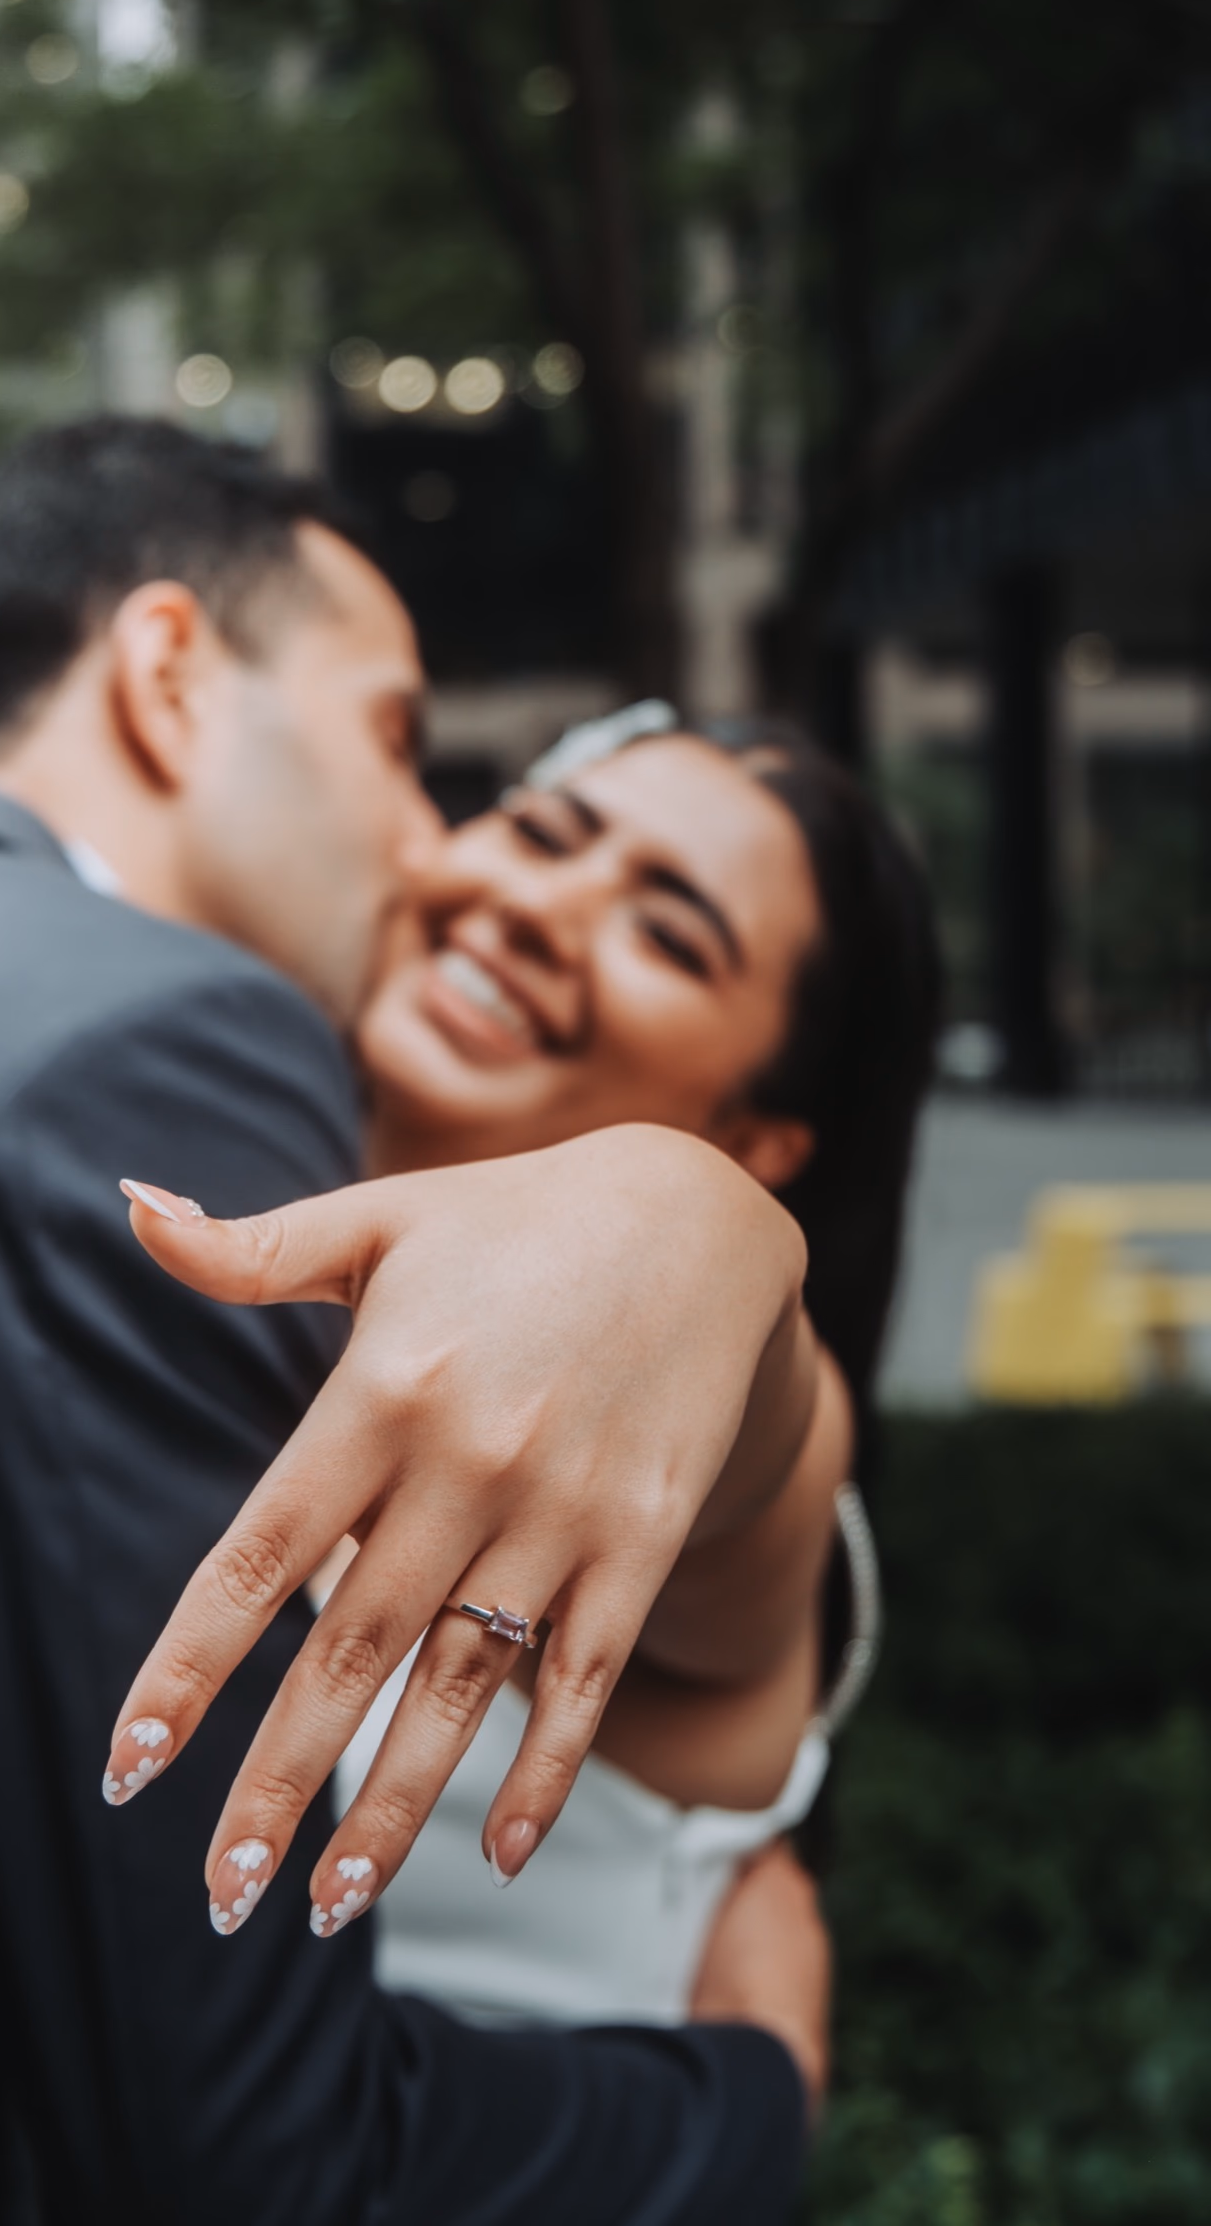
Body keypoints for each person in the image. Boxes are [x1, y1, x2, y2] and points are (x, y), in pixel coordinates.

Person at [0, 415, 820, 2226]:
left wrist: (719, 1235)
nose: (432, 856)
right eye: (401, 745)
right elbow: (257, 2167)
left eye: (666, 924)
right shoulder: (144, 1028)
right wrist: (754, 2092)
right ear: (169, 674)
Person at [331, 707, 935, 2026]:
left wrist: (692, 1219)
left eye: (670, 933)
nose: (543, 909)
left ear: (763, 1138)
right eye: (544, 833)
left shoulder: (726, 1464)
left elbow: (768, 1434)